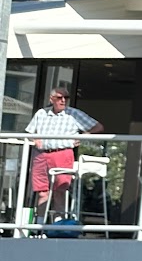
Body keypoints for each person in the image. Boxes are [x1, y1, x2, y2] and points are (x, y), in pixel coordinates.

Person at [23, 87, 103, 220]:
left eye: (66, 98)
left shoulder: (74, 114)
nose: (63, 100)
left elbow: (98, 127)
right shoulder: (41, 113)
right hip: (41, 154)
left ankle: (57, 225)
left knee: (60, 191)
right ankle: (39, 225)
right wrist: (35, 139)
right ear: (51, 99)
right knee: (42, 192)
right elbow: (30, 132)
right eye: (60, 98)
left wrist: (84, 135)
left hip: (62, 153)